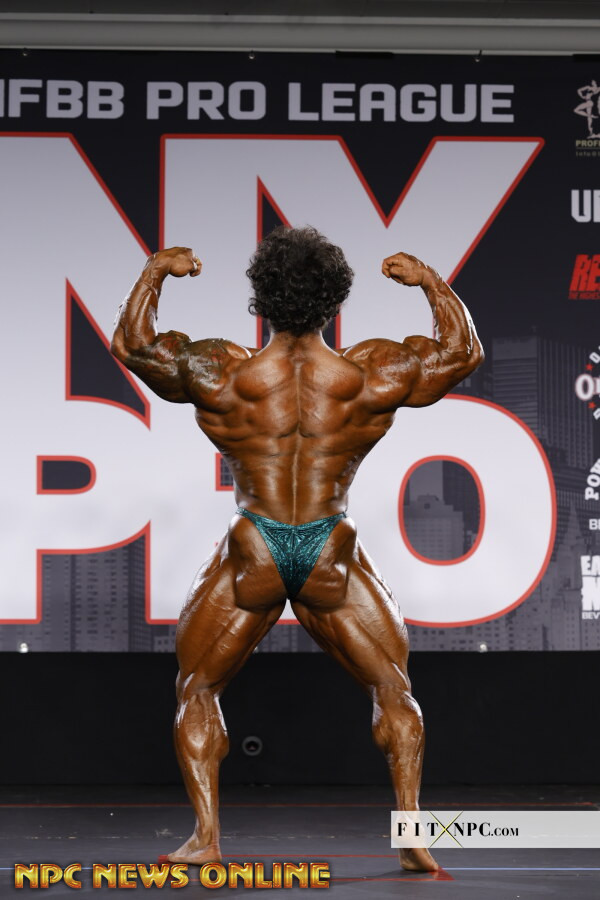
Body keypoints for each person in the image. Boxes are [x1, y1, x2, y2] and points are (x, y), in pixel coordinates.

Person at [111, 226, 484, 872]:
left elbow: (132, 344)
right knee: (393, 688)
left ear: (260, 297)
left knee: (197, 688)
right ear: (335, 299)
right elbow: (461, 353)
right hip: (327, 547)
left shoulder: (224, 371)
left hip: (254, 544)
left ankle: (205, 836)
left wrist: (155, 272)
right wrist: (429, 281)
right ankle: (411, 833)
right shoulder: (369, 373)